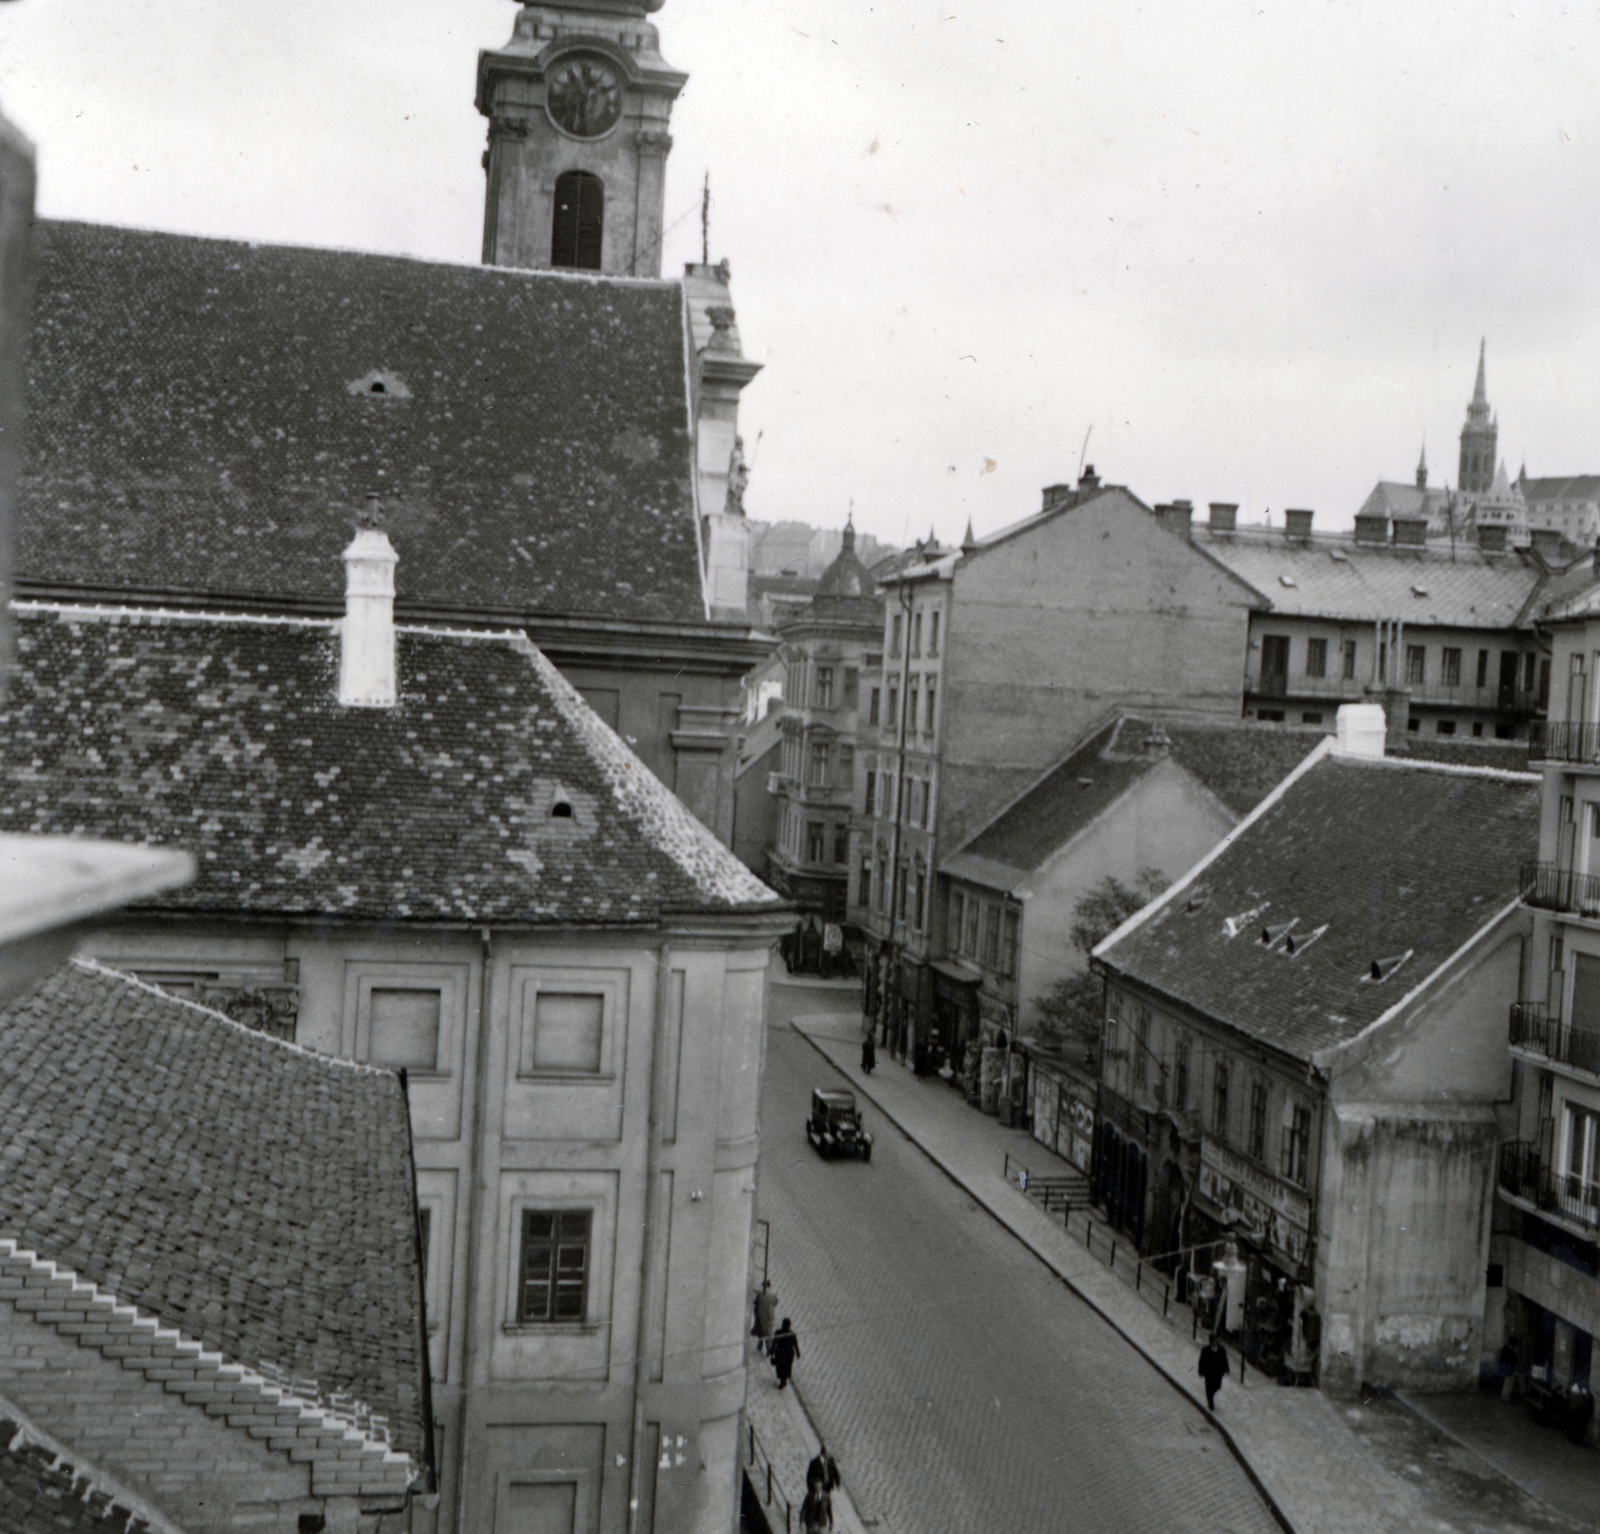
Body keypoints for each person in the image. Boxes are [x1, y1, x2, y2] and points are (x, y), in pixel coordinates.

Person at [1198, 1333, 1231, 1411]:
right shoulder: (1205, 1350)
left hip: (1218, 1373)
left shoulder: (1221, 1349)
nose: (1214, 1342)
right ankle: (1211, 1403)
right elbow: (1201, 1361)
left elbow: (1225, 1360)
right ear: (1210, 1342)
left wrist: (1227, 1369)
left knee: (1217, 1386)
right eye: (1213, 1341)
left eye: (1216, 1341)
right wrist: (1201, 1371)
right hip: (1209, 1373)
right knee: (1208, 1389)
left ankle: (1211, 1396)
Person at [769, 1317, 800, 1389]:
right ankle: (784, 1380)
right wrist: (798, 1352)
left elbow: (774, 1342)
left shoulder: (778, 1332)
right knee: (786, 1367)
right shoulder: (792, 1334)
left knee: (780, 1367)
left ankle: (782, 1381)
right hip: (789, 1354)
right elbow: (795, 1344)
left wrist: (771, 1351)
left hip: (780, 1353)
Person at [752, 1280, 777, 1355]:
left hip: (760, 1315)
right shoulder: (773, 1295)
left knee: (761, 1330)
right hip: (769, 1315)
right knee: (768, 1331)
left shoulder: (760, 1294)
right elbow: (775, 1303)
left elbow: (755, 1302)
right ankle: (768, 1348)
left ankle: (760, 1345)